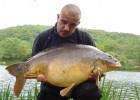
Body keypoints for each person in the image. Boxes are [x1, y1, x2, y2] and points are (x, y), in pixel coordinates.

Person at [32, 4, 102, 100]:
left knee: (91, 92)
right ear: (58, 17)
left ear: (78, 23)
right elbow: (34, 65)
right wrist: (38, 75)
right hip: (52, 85)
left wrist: (96, 76)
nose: (66, 28)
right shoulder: (43, 38)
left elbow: (96, 66)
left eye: (72, 24)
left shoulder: (85, 38)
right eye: (64, 22)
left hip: (80, 85)